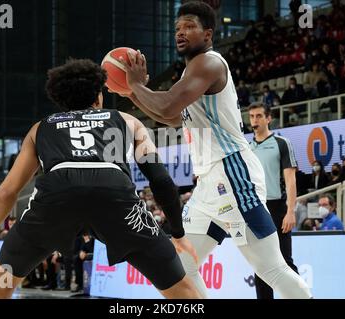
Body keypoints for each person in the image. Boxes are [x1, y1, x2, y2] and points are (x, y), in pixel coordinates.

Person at [118, 1, 311, 299]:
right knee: (181, 264)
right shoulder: (188, 75)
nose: (180, 33)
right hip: (209, 182)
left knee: (272, 269)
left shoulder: (209, 63)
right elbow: (169, 116)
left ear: (208, 34)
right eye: (177, 29)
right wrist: (134, 91)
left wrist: (135, 85)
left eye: (189, 27)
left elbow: (167, 104)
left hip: (233, 173)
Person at [0, 58, 200, 299]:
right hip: (114, 194)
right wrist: (177, 233)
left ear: (61, 100)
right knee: (181, 290)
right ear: (98, 96)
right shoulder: (126, 120)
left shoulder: (41, 127)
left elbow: (8, 191)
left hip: (56, 197)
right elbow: (161, 180)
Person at [248, 102, 300, 299]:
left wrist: (290, 211)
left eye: (259, 116)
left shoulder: (281, 143)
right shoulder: (246, 147)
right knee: (261, 265)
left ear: (269, 118)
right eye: (252, 116)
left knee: (285, 261)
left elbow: (290, 181)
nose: (255, 120)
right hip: (256, 209)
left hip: (278, 207)